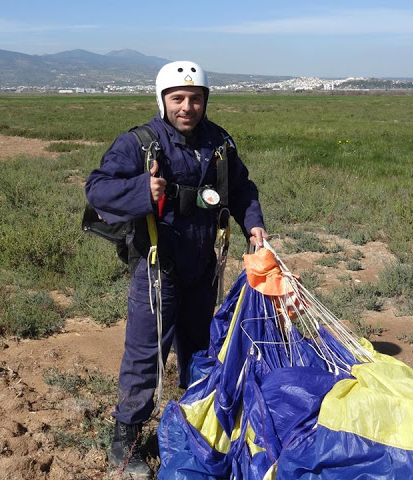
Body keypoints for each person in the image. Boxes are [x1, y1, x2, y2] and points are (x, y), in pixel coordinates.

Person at [85, 60, 268, 478]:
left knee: (200, 349)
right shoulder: (140, 143)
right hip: (157, 268)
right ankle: (126, 441)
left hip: (203, 267)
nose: (187, 107)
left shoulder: (220, 143)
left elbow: (241, 188)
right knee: (147, 354)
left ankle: (194, 424)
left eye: (196, 98)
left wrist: (253, 224)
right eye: (178, 98)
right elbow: (97, 189)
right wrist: (140, 190)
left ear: (205, 101)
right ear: (163, 99)